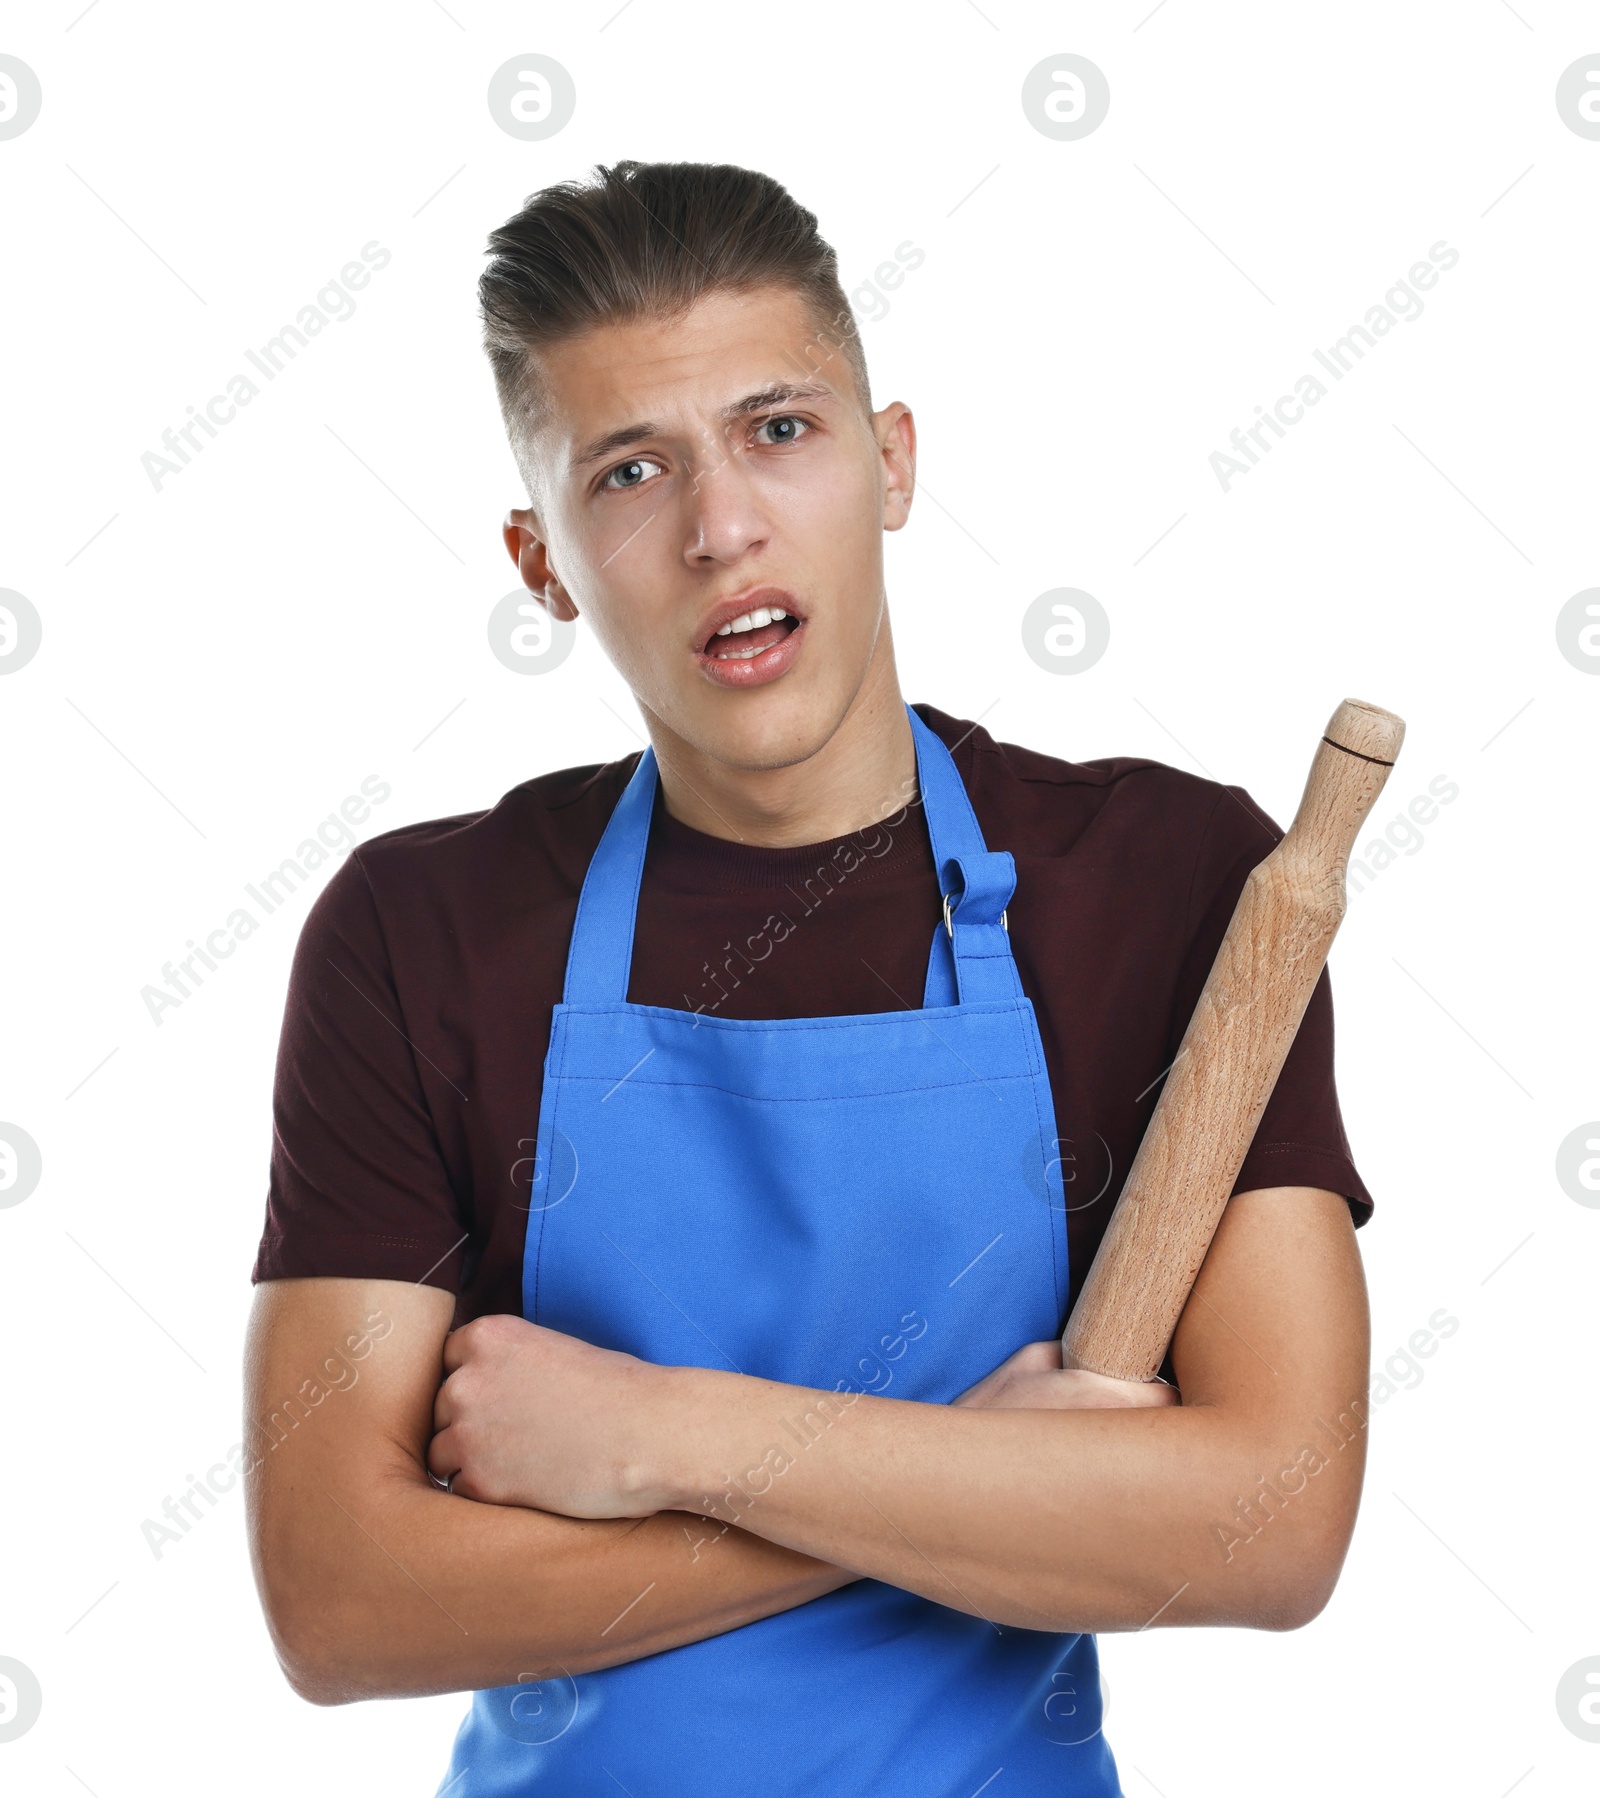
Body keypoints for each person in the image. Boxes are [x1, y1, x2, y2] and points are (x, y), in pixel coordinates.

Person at [244, 160, 1373, 1795]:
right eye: (629, 471)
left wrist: (660, 1443)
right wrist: (979, 1487)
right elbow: (340, 1602)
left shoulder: (1169, 886)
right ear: (540, 558)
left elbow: (1271, 1525)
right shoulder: (421, 931)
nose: (721, 527)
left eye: (781, 429)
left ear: (893, 459)